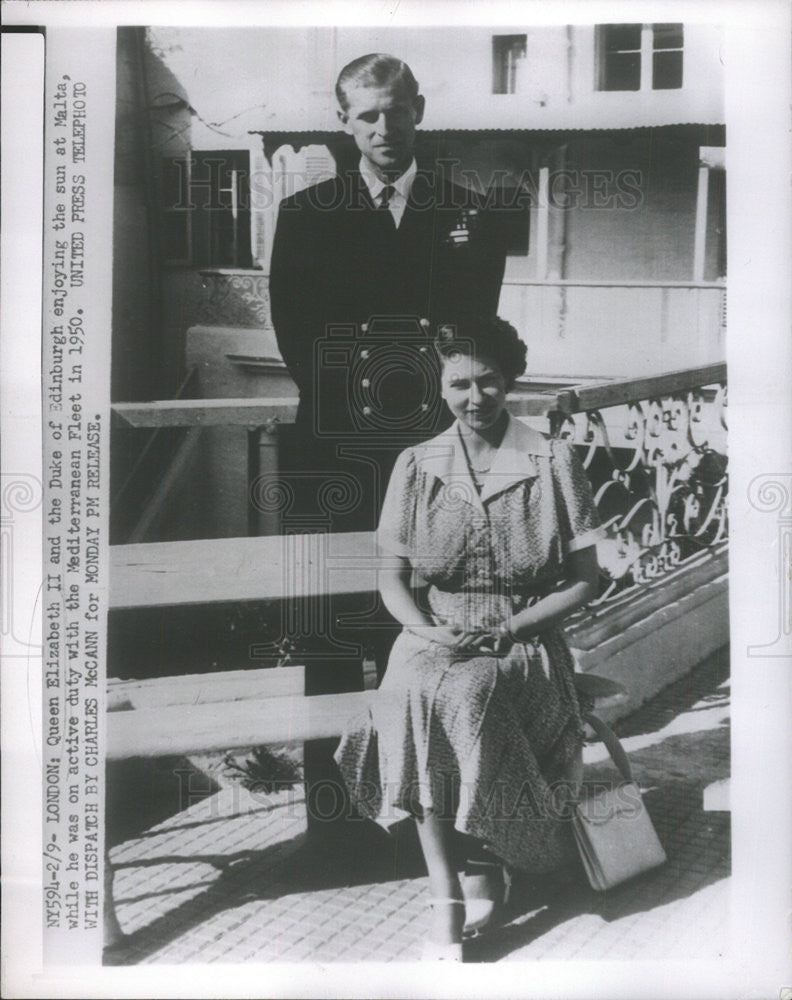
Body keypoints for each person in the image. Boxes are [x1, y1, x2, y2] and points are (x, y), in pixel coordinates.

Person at [334, 316, 605, 960]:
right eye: (459, 383)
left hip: (524, 636)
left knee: (461, 694)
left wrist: (509, 627)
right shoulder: (416, 464)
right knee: (414, 690)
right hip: (435, 633)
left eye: (487, 381)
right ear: (442, 385)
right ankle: (448, 888)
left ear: (510, 382)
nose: (473, 397)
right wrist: (427, 628)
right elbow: (393, 580)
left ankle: (475, 873)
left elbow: (585, 581)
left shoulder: (552, 460)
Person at [269, 52, 509, 533]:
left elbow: (473, 332)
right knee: (334, 590)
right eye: (368, 115)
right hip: (338, 435)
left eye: (396, 111)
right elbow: (295, 333)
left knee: (438, 580)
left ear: (417, 110)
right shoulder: (307, 215)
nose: (384, 128)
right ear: (345, 122)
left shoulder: (470, 212)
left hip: (436, 434)